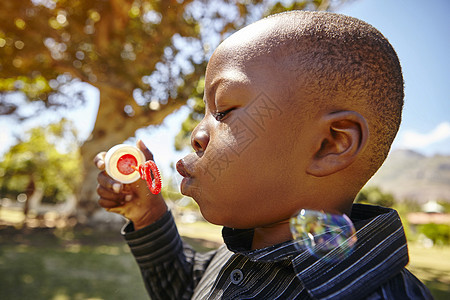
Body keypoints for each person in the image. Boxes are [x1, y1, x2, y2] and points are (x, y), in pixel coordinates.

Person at [94, 11, 432, 299]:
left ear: (330, 144)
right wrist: (148, 215)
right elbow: (187, 290)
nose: (197, 135)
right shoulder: (236, 252)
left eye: (223, 110)